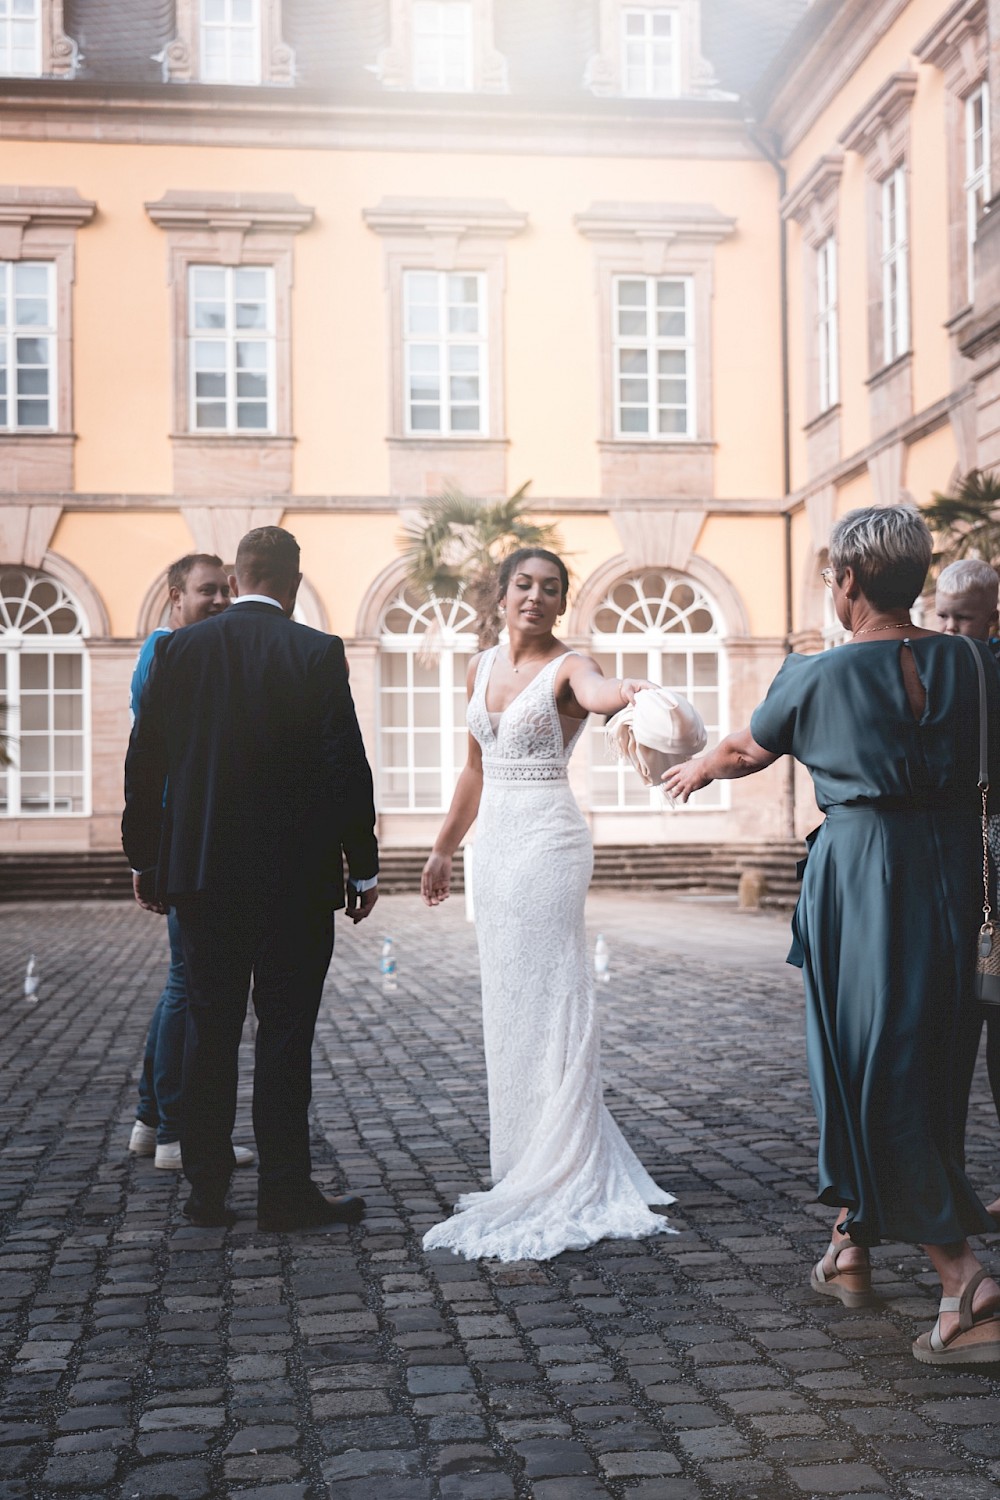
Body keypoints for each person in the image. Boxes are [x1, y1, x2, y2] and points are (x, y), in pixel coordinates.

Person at [665, 505, 1000, 1365]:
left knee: (870, 1064)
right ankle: (853, 1239)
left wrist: (698, 765)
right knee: (928, 1056)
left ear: (847, 582)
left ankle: (965, 1280)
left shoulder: (812, 675)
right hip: (951, 872)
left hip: (865, 878)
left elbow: (744, 749)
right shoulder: (966, 658)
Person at [420, 547, 675, 1262]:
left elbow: (595, 695)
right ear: (502, 595)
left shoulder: (572, 665)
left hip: (548, 841)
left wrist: (628, 692)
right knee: (508, 998)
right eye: (524, 585)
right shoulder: (478, 666)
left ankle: (562, 1158)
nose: (535, 596)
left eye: (550, 589)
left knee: (554, 990)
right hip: (493, 848)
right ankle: (524, 1150)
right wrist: (443, 847)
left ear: (561, 603)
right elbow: (473, 769)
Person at [123, 526, 378, 1230]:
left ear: (236, 580)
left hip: (202, 877)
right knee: (284, 1036)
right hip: (296, 883)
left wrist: (145, 856)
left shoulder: (178, 650)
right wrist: (364, 863)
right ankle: (285, 1193)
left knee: (210, 1031)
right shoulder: (316, 651)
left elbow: (146, 763)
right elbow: (344, 767)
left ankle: (207, 1193)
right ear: (293, 584)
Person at [126, 553, 255, 1173]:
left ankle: (152, 1120)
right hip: (186, 843)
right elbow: (148, 761)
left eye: (226, 591)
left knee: (182, 977)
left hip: (186, 841)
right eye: (207, 592)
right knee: (189, 982)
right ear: (175, 596)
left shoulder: (183, 649)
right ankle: (177, 1130)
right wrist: (147, 854)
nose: (221, 602)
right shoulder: (167, 652)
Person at [935, 556, 1000, 1224]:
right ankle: (946, 1182)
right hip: (959, 884)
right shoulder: (922, 665)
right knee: (949, 1048)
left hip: (985, 876)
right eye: (943, 614)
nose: (951, 627)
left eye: (965, 618)